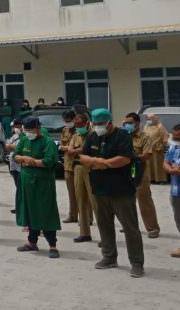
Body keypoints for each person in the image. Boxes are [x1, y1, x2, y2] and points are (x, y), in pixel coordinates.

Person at [80, 108, 145, 278]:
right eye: (95, 124)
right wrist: (97, 161)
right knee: (104, 224)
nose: (98, 127)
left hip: (122, 190)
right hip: (99, 190)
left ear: (110, 122)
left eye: (101, 124)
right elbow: (83, 158)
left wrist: (104, 164)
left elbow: (124, 159)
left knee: (130, 228)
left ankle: (137, 263)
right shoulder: (92, 136)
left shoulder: (122, 136)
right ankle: (109, 257)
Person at [14, 117, 61, 259]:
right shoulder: (24, 140)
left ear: (38, 128)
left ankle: (53, 245)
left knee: (45, 211)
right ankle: (32, 242)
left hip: (42, 184)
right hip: (26, 182)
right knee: (30, 211)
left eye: (30, 130)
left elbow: (50, 161)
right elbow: (15, 155)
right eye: (26, 130)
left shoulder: (47, 142)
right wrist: (22, 159)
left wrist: (33, 162)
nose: (28, 133)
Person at [124, 112, 160, 238]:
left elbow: (147, 155)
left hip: (139, 170)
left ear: (137, 123)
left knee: (144, 199)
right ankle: (129, 225)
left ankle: (152, 228)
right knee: (126, 200)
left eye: (130, 123)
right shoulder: (123, 136)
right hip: (125, 171)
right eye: (125, 123)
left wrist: (133, 157)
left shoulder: (144, 137)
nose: (127, 125)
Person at [67, 113, 95, 242]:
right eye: (76, 125)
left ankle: (105, 235)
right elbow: (70, 151)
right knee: (80, 200)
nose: (77, 127)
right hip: (78, 168)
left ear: (86, 123)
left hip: (91, 168)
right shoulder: (75, 135)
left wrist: (77, 150)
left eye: (79, 125)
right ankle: (84, 233)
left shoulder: (94, 134)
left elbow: (91, 150)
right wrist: (79, 150)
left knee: (95, 201)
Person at [163, 124, 180, 257]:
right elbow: (166, 162)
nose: (175, 139)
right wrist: (170, 169)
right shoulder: (174, 147)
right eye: (174, 136)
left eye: (178, 137)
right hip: (176, 190)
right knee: (178, 218)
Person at [59, 110, 78, 224]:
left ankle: (87, 217)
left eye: (69, 121)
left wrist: (68, 148)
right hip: (68, 164)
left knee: (82, 193)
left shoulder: (81, 130)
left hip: (79, 164)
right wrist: (68, 148)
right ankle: (72, 215)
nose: (67, 123)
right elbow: (62, 146)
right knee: (71, 193)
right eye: (65, 121)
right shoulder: (64, 130)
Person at [144, 114, 169, 184]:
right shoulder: (146, 126)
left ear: (154, 119)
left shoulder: (160, 126)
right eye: (147, 119)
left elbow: (165, 135)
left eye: (150, 119)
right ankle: (151, 178)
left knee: (158, 164)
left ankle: (161, 179)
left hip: (157, 149)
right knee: (149, 164)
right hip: (148, 148)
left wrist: (159, 142)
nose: (148, 121)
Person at [5, 119, 23, 214]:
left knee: (21, 188)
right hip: (13, 166)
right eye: (14, 127)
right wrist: (10, 147)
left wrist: (11, 147)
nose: (16, 128)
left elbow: (21, 148)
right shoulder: (14, 136)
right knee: (18, 187)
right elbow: (7, 145)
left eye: (17, 126)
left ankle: (22, 207)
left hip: (21, 166)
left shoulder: (25, 137)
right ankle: (18, 206)